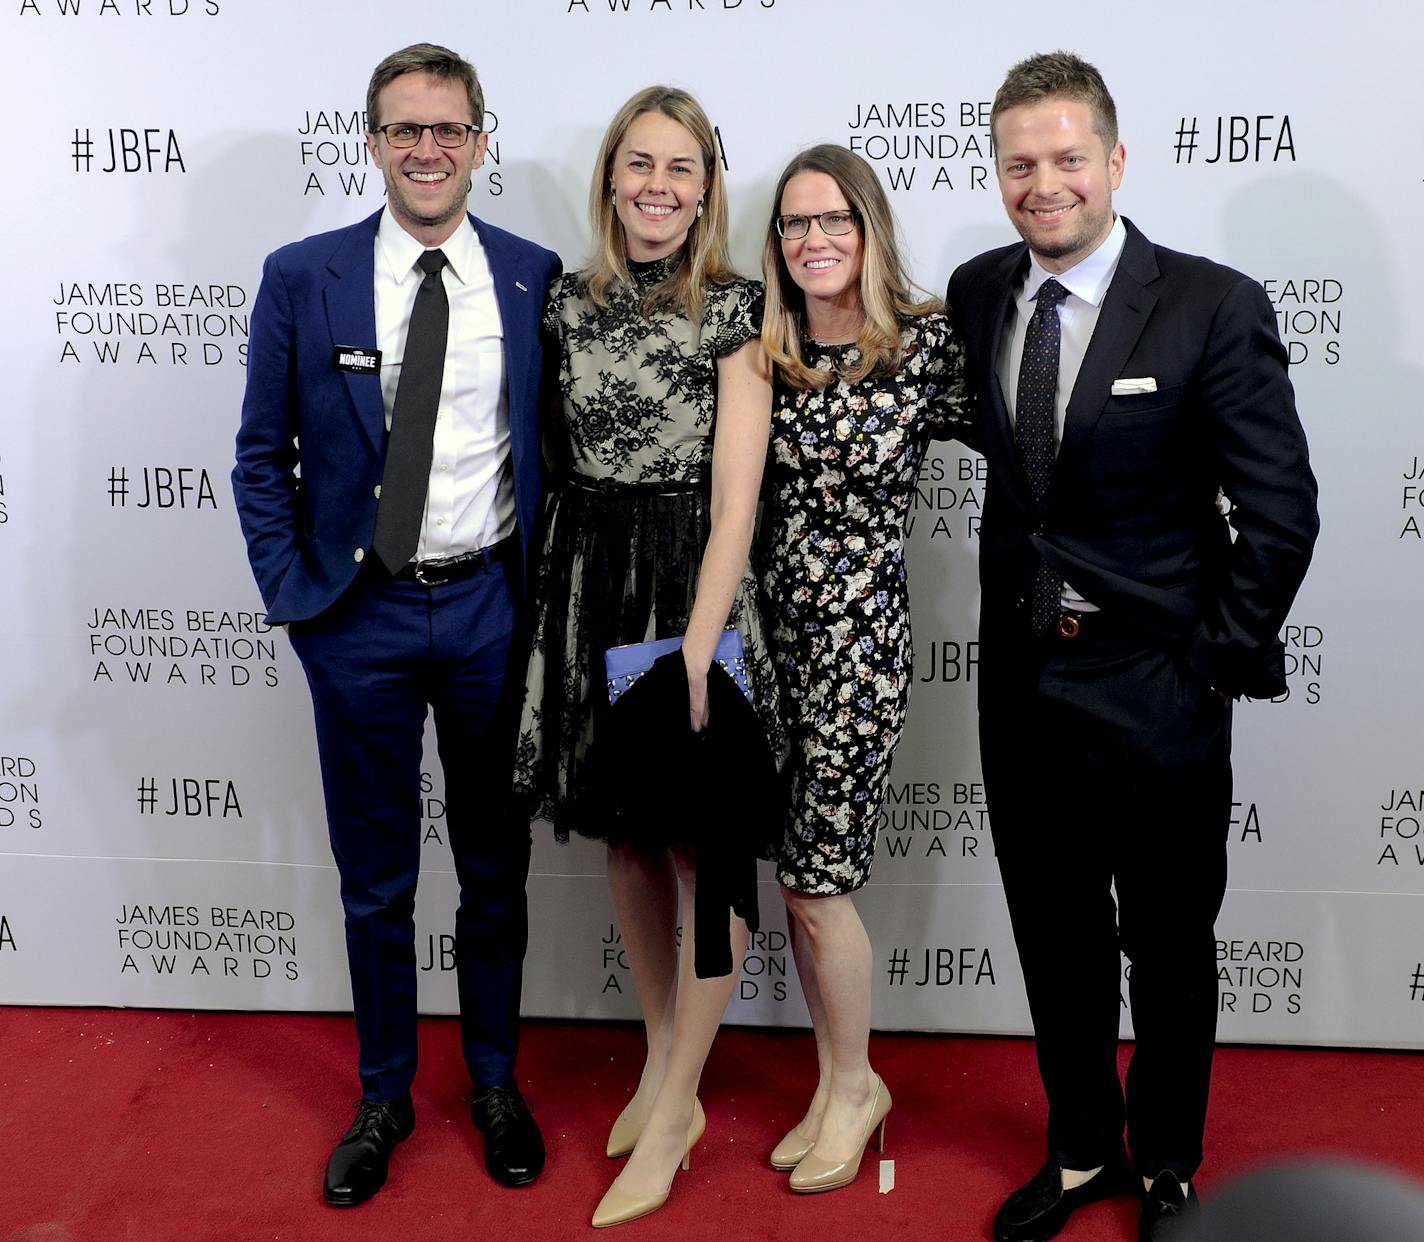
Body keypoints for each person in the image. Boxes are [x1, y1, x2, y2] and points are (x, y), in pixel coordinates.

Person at [945, 52, 1318, 1242]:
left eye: (1064, 159)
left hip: (1156, 685)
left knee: (1165, 945)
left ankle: (1161, 1161)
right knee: (1053, 937)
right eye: (1018, 163)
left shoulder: (1210, 302)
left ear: (1113, 160)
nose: (1040, 183)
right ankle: (1074, 1152)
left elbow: (1280, 509)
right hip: (1019, 683)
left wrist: (1212, 657)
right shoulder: (973, 290)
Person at [232, 43, 560, 1207]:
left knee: (491, 870)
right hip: (356, 617)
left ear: (481, 140)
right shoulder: (300, 275)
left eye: (448, 129)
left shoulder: (533, 276)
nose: (427, 149)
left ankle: (492, 1084)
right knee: (373, 881)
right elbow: (258, 459)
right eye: (404, 130)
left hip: (488, 611)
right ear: (371, 141)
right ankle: (383, 1095)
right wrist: (300, 603)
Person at [511, 86, 780, 1227]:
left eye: (680, 166)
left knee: (704, 851)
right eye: (638, 163)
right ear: (610, 177)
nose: (658, 186)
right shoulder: (564, 301)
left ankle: (673, 1105)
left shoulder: (734, 306)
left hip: (691, 591)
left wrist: (698, 650)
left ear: (707, 184)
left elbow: (735, 504)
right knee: (625, 839)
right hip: (590, 583)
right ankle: (667, 1060)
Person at [755, 145, 974, 1194]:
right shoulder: (761, 346)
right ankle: (833, 1075)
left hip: (856, 652)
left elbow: (1038, 452)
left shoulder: (925, 345)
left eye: (832, 219)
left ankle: (855, 1085)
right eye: (794, 225)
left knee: (814, 880)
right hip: (757, 647)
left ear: (869, 227)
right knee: (789, 883)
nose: (813, 241)